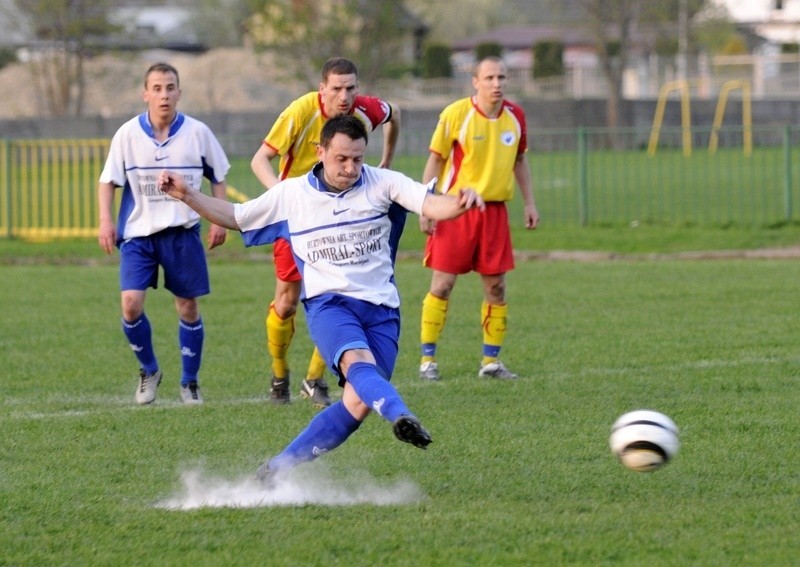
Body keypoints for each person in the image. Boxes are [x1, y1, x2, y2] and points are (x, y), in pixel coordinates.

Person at [157, 115, 484, 480]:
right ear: (321, 151)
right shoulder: (293, 194)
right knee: (358, 364)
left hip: (382, 311)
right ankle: (400, 414)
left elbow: (432, 204)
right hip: (330, 305)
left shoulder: (383, 183)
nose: (350, 167)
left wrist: (459, 204)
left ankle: (274, 471)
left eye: (358, 159)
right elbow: (235, 215)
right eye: (341, 159)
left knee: (357, 403)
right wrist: (186, 193)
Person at [250, 57, 401, 408]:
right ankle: (279, 373)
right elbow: (260, 159)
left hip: (345, 218)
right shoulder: (301, 111)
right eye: (336, 88)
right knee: (286, 302)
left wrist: (386, 162)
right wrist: (284, 200)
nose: (344, 96)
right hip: (299, 219)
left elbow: (395, 114)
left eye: (351, 88)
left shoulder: (364, 112)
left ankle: (314, 379)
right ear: (322, 89)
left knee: (339, 296)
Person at [97, 62, 230, 405]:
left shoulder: (198, 132)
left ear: (179, 93)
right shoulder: (127, 134)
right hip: (139, 236)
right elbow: (107, 181)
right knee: (130, 305)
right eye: (156, 88)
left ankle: (190, 382)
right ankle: (149, 370)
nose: (164, 94)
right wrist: (105, 221)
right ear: (145, 94)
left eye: (170, 87)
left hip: (182, 233)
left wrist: (219, 218)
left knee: (187, 307)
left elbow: (218, 176)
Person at [417, 56, 540, 382]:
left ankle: (491, 362)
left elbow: (520, 162)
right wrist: (425, 205)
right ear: (475, 82)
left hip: (494, 213)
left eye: (501, 77)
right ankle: (427, 360)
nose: (496, 83)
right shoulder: (456, 114)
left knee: (497, 288)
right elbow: (435, 160)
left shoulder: (515, 117)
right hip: (454, 211)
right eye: (489, 78)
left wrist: (530, 203)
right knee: (442, 285)